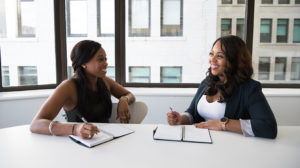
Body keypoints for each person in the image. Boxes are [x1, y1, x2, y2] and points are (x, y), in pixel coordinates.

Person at [167, 35, 277, 139]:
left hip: (229, 149)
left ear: (234, 60)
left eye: (219, 56)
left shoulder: (249, 88)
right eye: (211, 54)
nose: (212, 60)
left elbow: (268, 127)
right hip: (202, 142)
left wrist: (223, 123)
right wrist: (181, 119)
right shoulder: (206, 83)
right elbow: (192, 112)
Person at [30, 40, 135, 139]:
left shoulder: (105, 81)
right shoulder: (68, 87)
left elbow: (130, 95)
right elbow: (35, 124)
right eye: (100, 59)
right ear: (84, 63)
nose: (106, 63)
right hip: (79, 144)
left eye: (105, 59)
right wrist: (75, 129)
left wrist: (124, 99)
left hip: (105, 140)